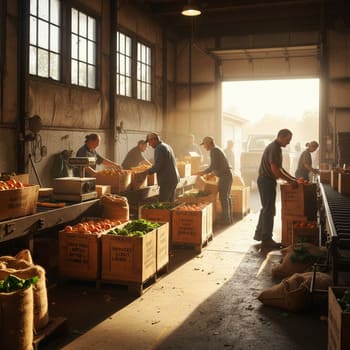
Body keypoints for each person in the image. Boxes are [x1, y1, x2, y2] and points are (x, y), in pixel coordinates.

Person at [254, 129, 298, 252]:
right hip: (266, 181)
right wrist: (290, 181)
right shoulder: (274, 148)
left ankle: (260, 234)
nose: (288, 143)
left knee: (266, 208)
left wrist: (292, 178)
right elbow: (275, 170)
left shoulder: (276, 148)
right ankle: (267, 239)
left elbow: (280, 168)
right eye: (288, 140)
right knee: (269, 210)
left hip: (266, 180)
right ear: (280, 137)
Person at [197, 136, 233, 226]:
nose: (204, 147)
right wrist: (211, 174)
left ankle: (226, 220)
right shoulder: (217, 149)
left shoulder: (214, 150)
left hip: (225, 176)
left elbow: (213, 166)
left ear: (209, 143)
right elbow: (217, 166)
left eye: (205, 144)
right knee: (226, 197)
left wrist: (203, 172)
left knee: (223, 198)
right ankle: (228, 218)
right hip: (227, 175)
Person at [142, 133, 180, 202]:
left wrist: (146, 172)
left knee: (163, 203)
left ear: (154, 140)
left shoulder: (159, 148)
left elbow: (158, 165)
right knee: (170, 202)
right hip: (173, 178)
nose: (149, 145)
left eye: (149, 142)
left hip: (166, 180)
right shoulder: (167, 146)